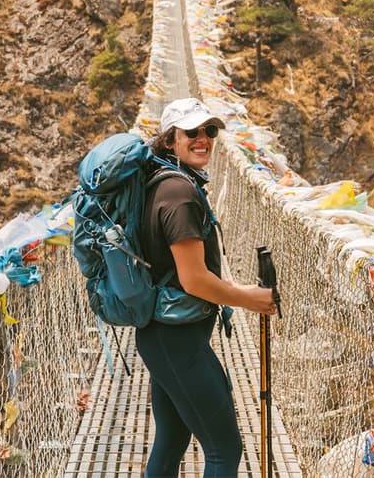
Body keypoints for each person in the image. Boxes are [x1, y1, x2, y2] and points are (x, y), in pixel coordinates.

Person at [137, 97, 277, 477]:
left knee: (172, 437)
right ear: (169, 140)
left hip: (164, 336)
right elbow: (193, 279)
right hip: (177, 340)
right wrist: (250, 298)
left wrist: (235, 288)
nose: (203, 139)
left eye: (209, 131)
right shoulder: (180, 195)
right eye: (192, 132)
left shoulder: (161, 183)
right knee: (223, 450)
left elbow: (182, 269)